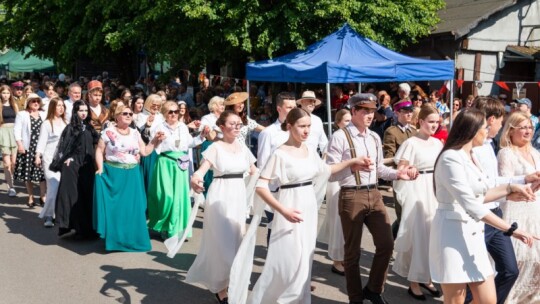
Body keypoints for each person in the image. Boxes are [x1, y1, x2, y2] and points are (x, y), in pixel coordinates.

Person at [248, 108, 371, 304]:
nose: (306, 131)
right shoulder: (280, 153)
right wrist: (283, 210)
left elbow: (327, 170)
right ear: (289, 126)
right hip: (289, 205)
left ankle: (299, 297)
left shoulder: (308, 150)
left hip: (308, 206)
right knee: (289, 258)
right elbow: (261, 187)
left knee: (305, 256)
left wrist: (352, 162)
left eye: (309, 126)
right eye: (302, 126)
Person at [429, 108, 538, 304]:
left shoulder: (472, 156)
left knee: (488, 300)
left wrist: (510, 190)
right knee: (455, 300)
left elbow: (482, 192)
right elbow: (471, 204)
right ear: (472, 130)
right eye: (484, 128)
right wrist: (512, 230)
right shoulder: (450, 158)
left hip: (473, 235)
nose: (488, 131)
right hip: (452, 236)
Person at [326, 93, 417, 304]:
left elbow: (379, 169)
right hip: (351, 195)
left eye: (372, 111)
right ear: (354, 111)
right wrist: (352, 164)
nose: (369, 115)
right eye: (365, 111)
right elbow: (329, 172)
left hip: (374, 193)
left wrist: (398, 174)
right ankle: (355, 298)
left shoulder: (374, 137)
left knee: (386, 244)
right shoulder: (340, 136)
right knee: (352, 252)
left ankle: (374, 289)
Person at [186, 111, 257, 304]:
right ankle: (220, 287)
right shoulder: (215, 148)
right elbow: (201, 171)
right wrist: (195, 180)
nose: (236, 127)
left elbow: (255, 171)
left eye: (239, 124)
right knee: (222, 242)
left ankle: (232, 280)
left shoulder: (243, 148)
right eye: (232, 124)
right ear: (222, 126)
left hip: (239, 196)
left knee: (237, 240)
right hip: (220, 195)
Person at [94, 105, 164, 251]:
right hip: (114, 173)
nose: (128, 115)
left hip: (133, 175)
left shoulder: (135, 133)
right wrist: (100, 168)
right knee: (117, 209)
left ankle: (131, 240)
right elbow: (99, 151)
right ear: (117, 116)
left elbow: (144, 152)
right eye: (125, 113)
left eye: (130, 114)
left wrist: (155, 141)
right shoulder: (108, 132)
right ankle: (116, 241)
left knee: (133, 208)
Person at [392, 105, 443, 300]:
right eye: (431, 121)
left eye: (437, 122)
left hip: (434, 190)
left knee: (433, 235)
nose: (434, 125)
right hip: (418, 189)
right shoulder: (411, 143)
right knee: (418, 235)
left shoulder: (438, 143)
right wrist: (410, 167)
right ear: (420, 122)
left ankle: (426, 277)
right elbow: (401, 167)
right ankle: (414, 281)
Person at [147, 101, 209, 240]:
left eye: (175, 111)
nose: (174, 114)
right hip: (165, 162)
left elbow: (189, 144)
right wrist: (157, 139)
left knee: (180, 197)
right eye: (170, 112)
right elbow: (152, 145)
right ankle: (163, 225)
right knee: (166, 196)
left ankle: (178, 229)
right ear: (164, 114)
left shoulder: (182, 127)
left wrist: (202, 136)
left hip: (180, 164)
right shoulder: (158, 127)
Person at [497, 111, 540, 303]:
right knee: (519, 258)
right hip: (516, 210)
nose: (528, 130)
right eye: (523, 127)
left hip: (536, 207)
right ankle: (510, 298)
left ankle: (531, 298)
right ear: (511, 130)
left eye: (530, 127)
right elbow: (505, 186)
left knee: (537, 258)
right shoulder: (506, 153)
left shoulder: (535, 152)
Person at [53, 100, 100, 238]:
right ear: (75, 112)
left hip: (87, 166)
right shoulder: (70, 128)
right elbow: (63, 147)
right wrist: (67, 158)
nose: (84, 113)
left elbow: (99, 142)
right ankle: (74, 226)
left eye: (86, 110)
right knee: (73, 196)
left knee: (87, 194)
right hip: (72, 167)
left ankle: (88, 227)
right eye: (81, 110)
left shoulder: (90, 128)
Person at [256, 92, 297, 244]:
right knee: (275, 229)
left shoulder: (298, 130)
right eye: (289, 107)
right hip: (275, 191)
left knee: (292, 230)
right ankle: (271, 264)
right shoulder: (269, 133)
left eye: (294, 107)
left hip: (294, 189)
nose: (293, 110)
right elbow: (263, 164)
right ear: (279, 109)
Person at [320, 109, 351, 275]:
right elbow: (329, 163)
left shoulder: (352, 136)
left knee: (346, 222)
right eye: (346, 121)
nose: (349, 123)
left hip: (349, 180)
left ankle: (343, 256)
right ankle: (337, 259)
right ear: (338, 122)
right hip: (336, 182)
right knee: (337, 221)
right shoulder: (336, 137)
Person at [383, 99, 417, 239]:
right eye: (405, 111)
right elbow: (390, 157)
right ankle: (389, 244)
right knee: (402, 214)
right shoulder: (392, 132)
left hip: (416, 177)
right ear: (397, 113)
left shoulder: (414, 130)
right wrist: (401, 168)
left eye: (411, 111)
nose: (409, 114)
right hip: (401, 178)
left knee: (413, 214)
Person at [35, 97, 67, 227]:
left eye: (62, 106)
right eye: (58, 105)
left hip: (62, 160)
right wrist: (38, 156)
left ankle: (57, 214)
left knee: (60, 187)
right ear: (52, 107)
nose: (61, 108)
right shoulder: (47, 123)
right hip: (49, 159)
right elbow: (41, 142)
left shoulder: (66, 123)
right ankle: (48, 215)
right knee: (53, 186)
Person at [14, 93, 47, 207]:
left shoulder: (44, 114)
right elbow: (17, 130)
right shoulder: (22, 114)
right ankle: (31, 196)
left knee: (42, 174)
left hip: (42, 148)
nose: (36, 103)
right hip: (28, 148)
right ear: (28, 102)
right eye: (33, 101)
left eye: (38, 101)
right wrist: (20, 145)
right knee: (28, 174)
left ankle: (43, 196)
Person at [199, 96, 225, 194]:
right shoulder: (207, 118)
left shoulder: (226, 116)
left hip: (223, 146)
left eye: (223, 104)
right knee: (209, 173)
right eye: (220, 104)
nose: (223, 106)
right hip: (210, 145)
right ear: (214, 105)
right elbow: (209, 136)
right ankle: (207, 195)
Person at [0, 85, 19, 197]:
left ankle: (12, 180)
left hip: (14, 133)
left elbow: (19, 120)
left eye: (7, 93)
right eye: (3, 93)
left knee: (13, 163)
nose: (6, 95)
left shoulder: (14, 105)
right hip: (3, 133)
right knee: (7, 163)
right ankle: (10, 186)